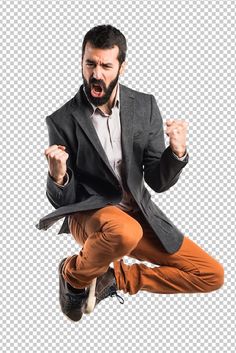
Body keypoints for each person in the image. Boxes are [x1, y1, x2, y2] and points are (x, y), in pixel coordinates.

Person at [36, 24, 224, 322]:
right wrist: (59, 175)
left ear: (122, 67)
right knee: (125, 231)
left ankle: (116, 279)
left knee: (210, 274)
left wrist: (176, 154)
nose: (97, 74)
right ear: (82, 62)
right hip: (92, 215)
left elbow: (157, 181)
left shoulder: (144, 106)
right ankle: (72, 274)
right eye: (90, 64)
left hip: (138, 214)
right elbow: (64, 201)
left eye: (106, 65)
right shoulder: (62, 119)